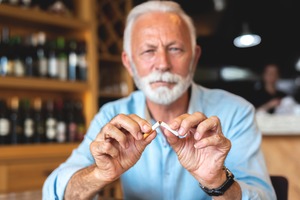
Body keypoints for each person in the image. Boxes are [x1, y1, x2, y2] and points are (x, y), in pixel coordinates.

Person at [43, 1, 276, 199]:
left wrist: (218, 181)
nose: (163, 63)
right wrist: (99, 174)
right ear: (129, 63)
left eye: (175, 49)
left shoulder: (235, 111)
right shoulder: (111, 115)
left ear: (194, 58)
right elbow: (53, 192)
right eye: (148, 51)